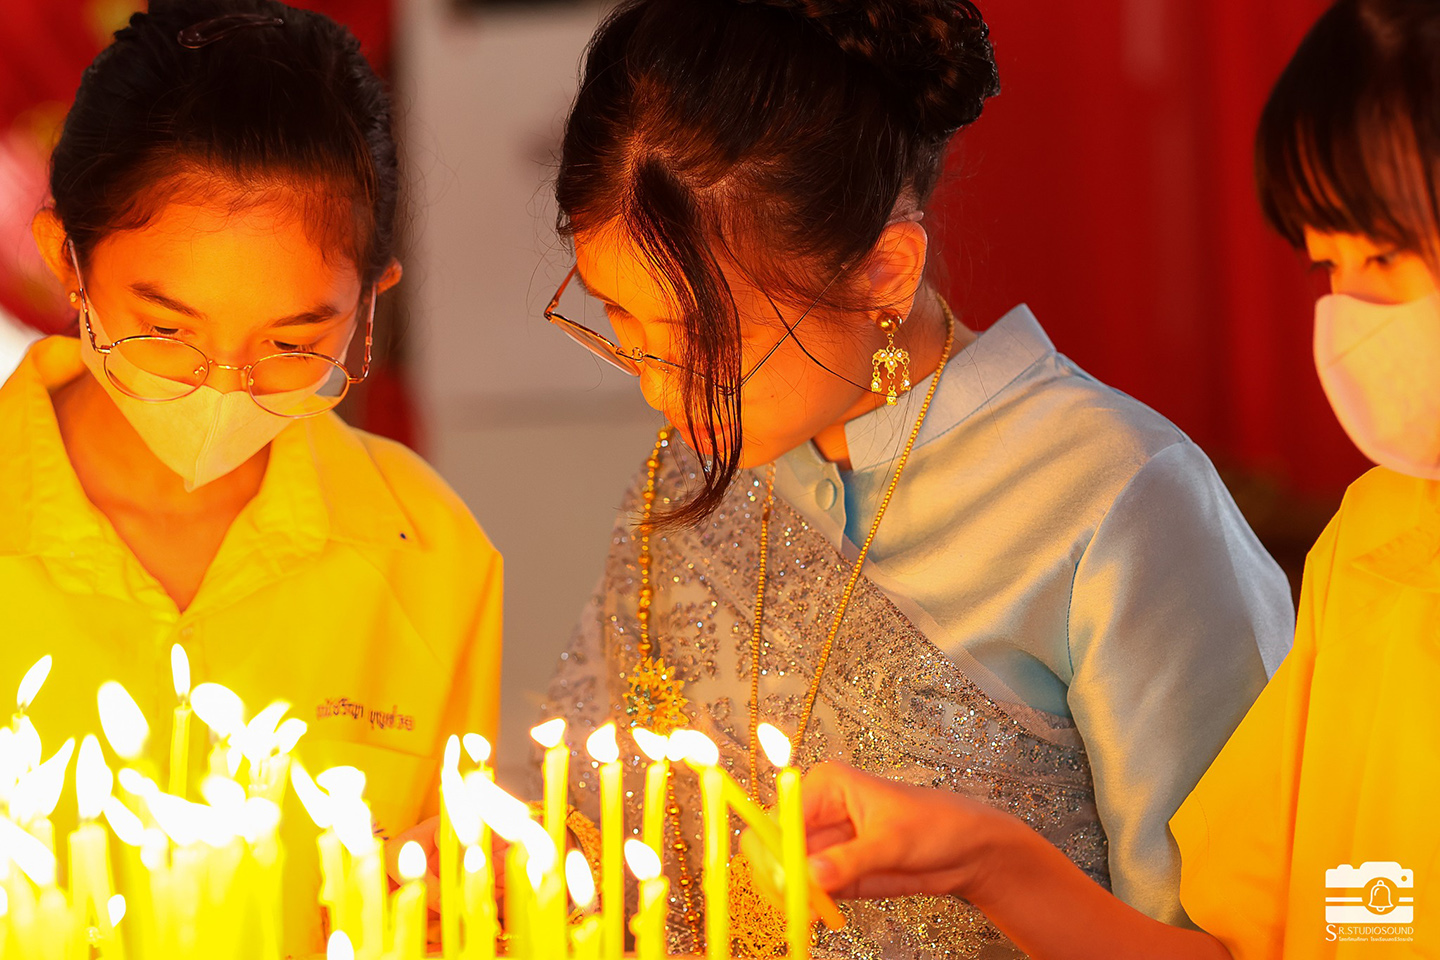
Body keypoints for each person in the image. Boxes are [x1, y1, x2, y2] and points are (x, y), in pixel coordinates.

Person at [538, 0, 1293, 954]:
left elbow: (1250, 944)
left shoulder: (1119, 497)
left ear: (884, 272)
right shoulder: (695, 461)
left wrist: (992, 866)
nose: (658, 389)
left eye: (703, 342)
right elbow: (596, 816)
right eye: (620, 323)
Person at [794, 1, 1440, 957]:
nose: (1353, 319)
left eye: (1384, 255)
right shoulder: (1380, 545)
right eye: (1326, 267)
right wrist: (986, 861)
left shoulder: (1120, 488)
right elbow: (1262, 942)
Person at [5, 0, 501, 951]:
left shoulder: (426, 551)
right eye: (165, 330)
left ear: (368, 304)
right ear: (66, 260)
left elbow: (442, 901)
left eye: (292, 343)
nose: (222, 387)